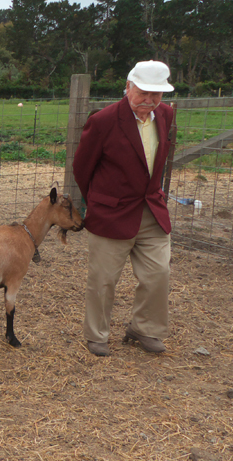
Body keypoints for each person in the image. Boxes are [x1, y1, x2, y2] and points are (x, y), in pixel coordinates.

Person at [73, 60, 176, 357]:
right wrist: (96, 202)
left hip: (151, 209)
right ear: (129, 86)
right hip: (111, 213)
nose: (150, 101)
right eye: (144, 93)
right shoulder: (104, 120)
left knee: (158, 273)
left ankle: (144, 329)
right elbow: (83, 167)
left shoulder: (166, 115)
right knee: (103, 279)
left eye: (156, 95)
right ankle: (97, 335)